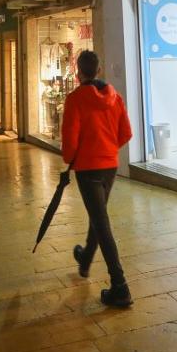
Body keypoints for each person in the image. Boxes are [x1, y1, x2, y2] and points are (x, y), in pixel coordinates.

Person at [61, 50, 133, 308]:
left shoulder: (75, 99)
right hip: (109, 166)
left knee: (102, 223)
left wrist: (72, 159)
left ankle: (120, 286)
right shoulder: (116, 98)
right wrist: (109, 149)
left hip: (88, 168)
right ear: (99, 70)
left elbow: (69, 141)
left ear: (78, 72)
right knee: (98, 213)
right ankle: (85, 259)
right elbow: (126, 133)